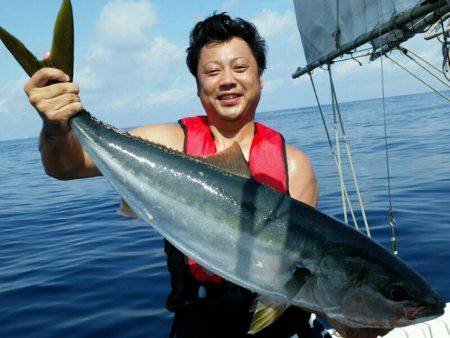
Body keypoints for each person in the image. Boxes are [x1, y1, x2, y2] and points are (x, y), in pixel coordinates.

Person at [24, 12, 388, 338]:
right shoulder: (169, 143)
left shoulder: (293, 166)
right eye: (213, 72)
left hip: (281, 328)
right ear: (198, 86)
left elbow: (301, 277)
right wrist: (56, 126)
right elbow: (66, 166)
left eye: (240, 68)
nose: (227, 80)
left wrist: (348, 316)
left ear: (260, 78)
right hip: (197, 323)